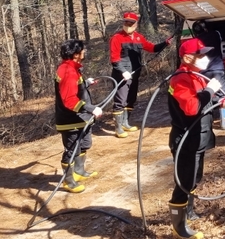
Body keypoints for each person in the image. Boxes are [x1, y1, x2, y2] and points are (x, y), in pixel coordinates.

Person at [167, 38, 222, 239]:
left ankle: (188, 212)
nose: (204, 58)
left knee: (194, 178)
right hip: (186, 139)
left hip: (198, 136)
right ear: (188, 57)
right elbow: (191, 108)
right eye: (200, 55)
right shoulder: (181, 79)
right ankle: (179, 227)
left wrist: (218, 101)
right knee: (184, 183)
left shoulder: (195, 75)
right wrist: (209, 91)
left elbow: (203, 101)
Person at [109, 12, 172, 138]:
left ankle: (126, 123)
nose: (127, 24)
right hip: (122, 75)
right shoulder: (117, 38)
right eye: (125, 22)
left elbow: (152, 48)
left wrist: (165, 43)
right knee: (120, 100)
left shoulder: (138, 37)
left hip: (135, 73)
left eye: (130, 23)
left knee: (131, 99)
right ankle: (118, 128)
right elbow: (114, 59)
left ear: (135, 24)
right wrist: (123, 71)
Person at [55, 39, 103, 193]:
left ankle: (79, 171)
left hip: (81, 118)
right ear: (76, 54)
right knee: (72, 150)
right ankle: (68, 181)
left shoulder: (72, 68)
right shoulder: (67, 71)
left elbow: (73, 87)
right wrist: (91, 108)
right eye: (83, 50)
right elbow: (69, 100)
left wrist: (85, 83)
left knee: (85, 144)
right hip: (71, 120)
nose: (85, 52)